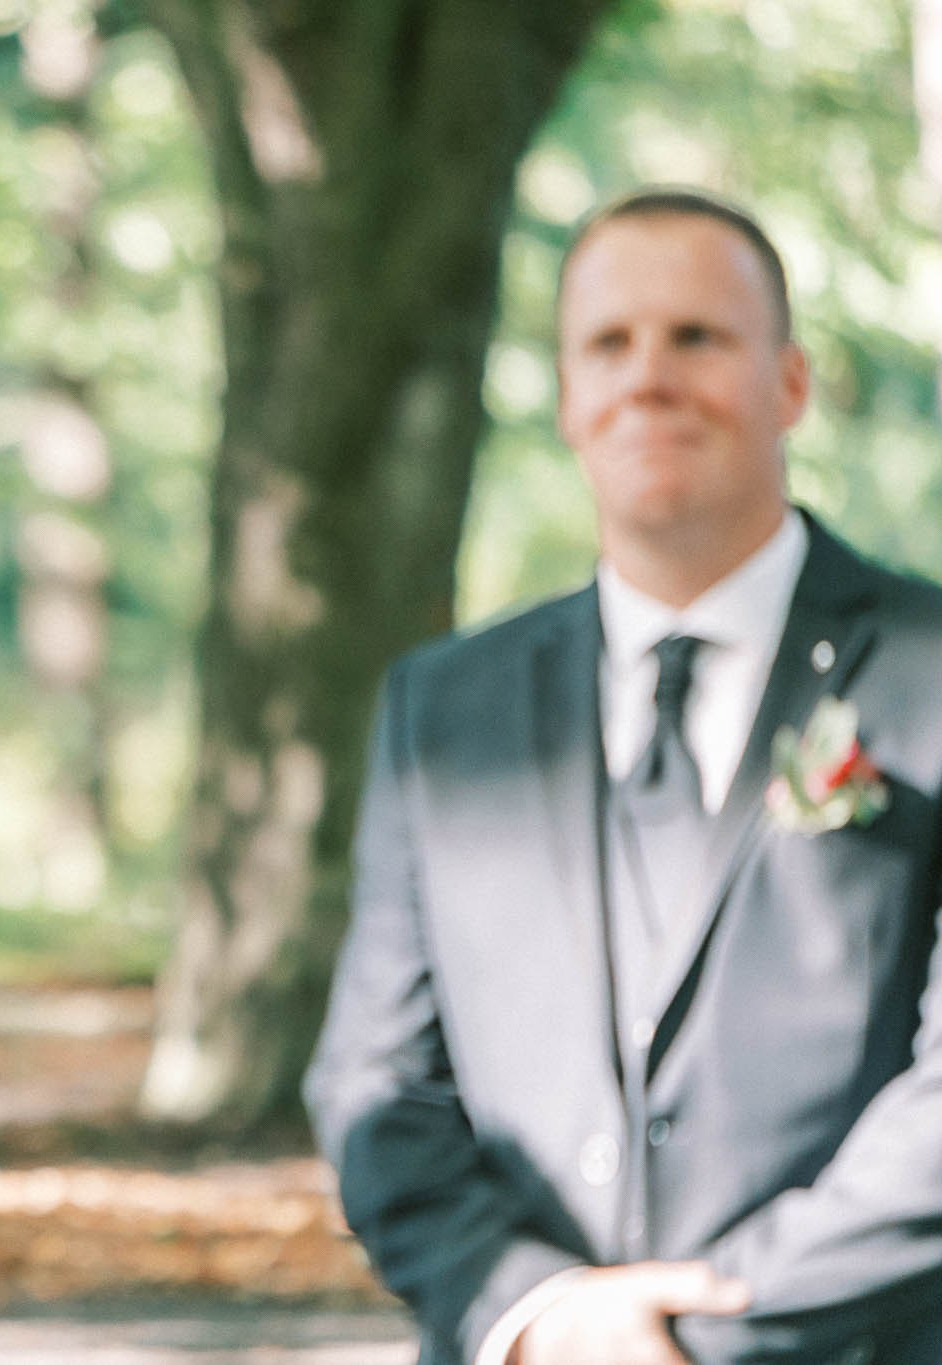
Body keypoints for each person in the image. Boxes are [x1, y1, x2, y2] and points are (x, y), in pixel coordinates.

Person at [304, 187, 942, 1365]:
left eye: (695, 337)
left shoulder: (929, 665)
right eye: (608, 342)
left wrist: (693, 1330)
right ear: (566, 400)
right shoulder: (439, 709)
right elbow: (371, 1079)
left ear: (789, 382)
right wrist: (534, 1312)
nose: (647, 375)